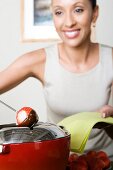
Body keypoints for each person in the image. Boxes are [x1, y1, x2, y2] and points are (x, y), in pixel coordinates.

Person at [0, 0, 113, 160]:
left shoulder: (111, 60)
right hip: (57, 161)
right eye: (59, 12)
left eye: (78, 10)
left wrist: (110, 123)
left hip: (104, 161)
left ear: (95, 13)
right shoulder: (39, 60)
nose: (69, 22)